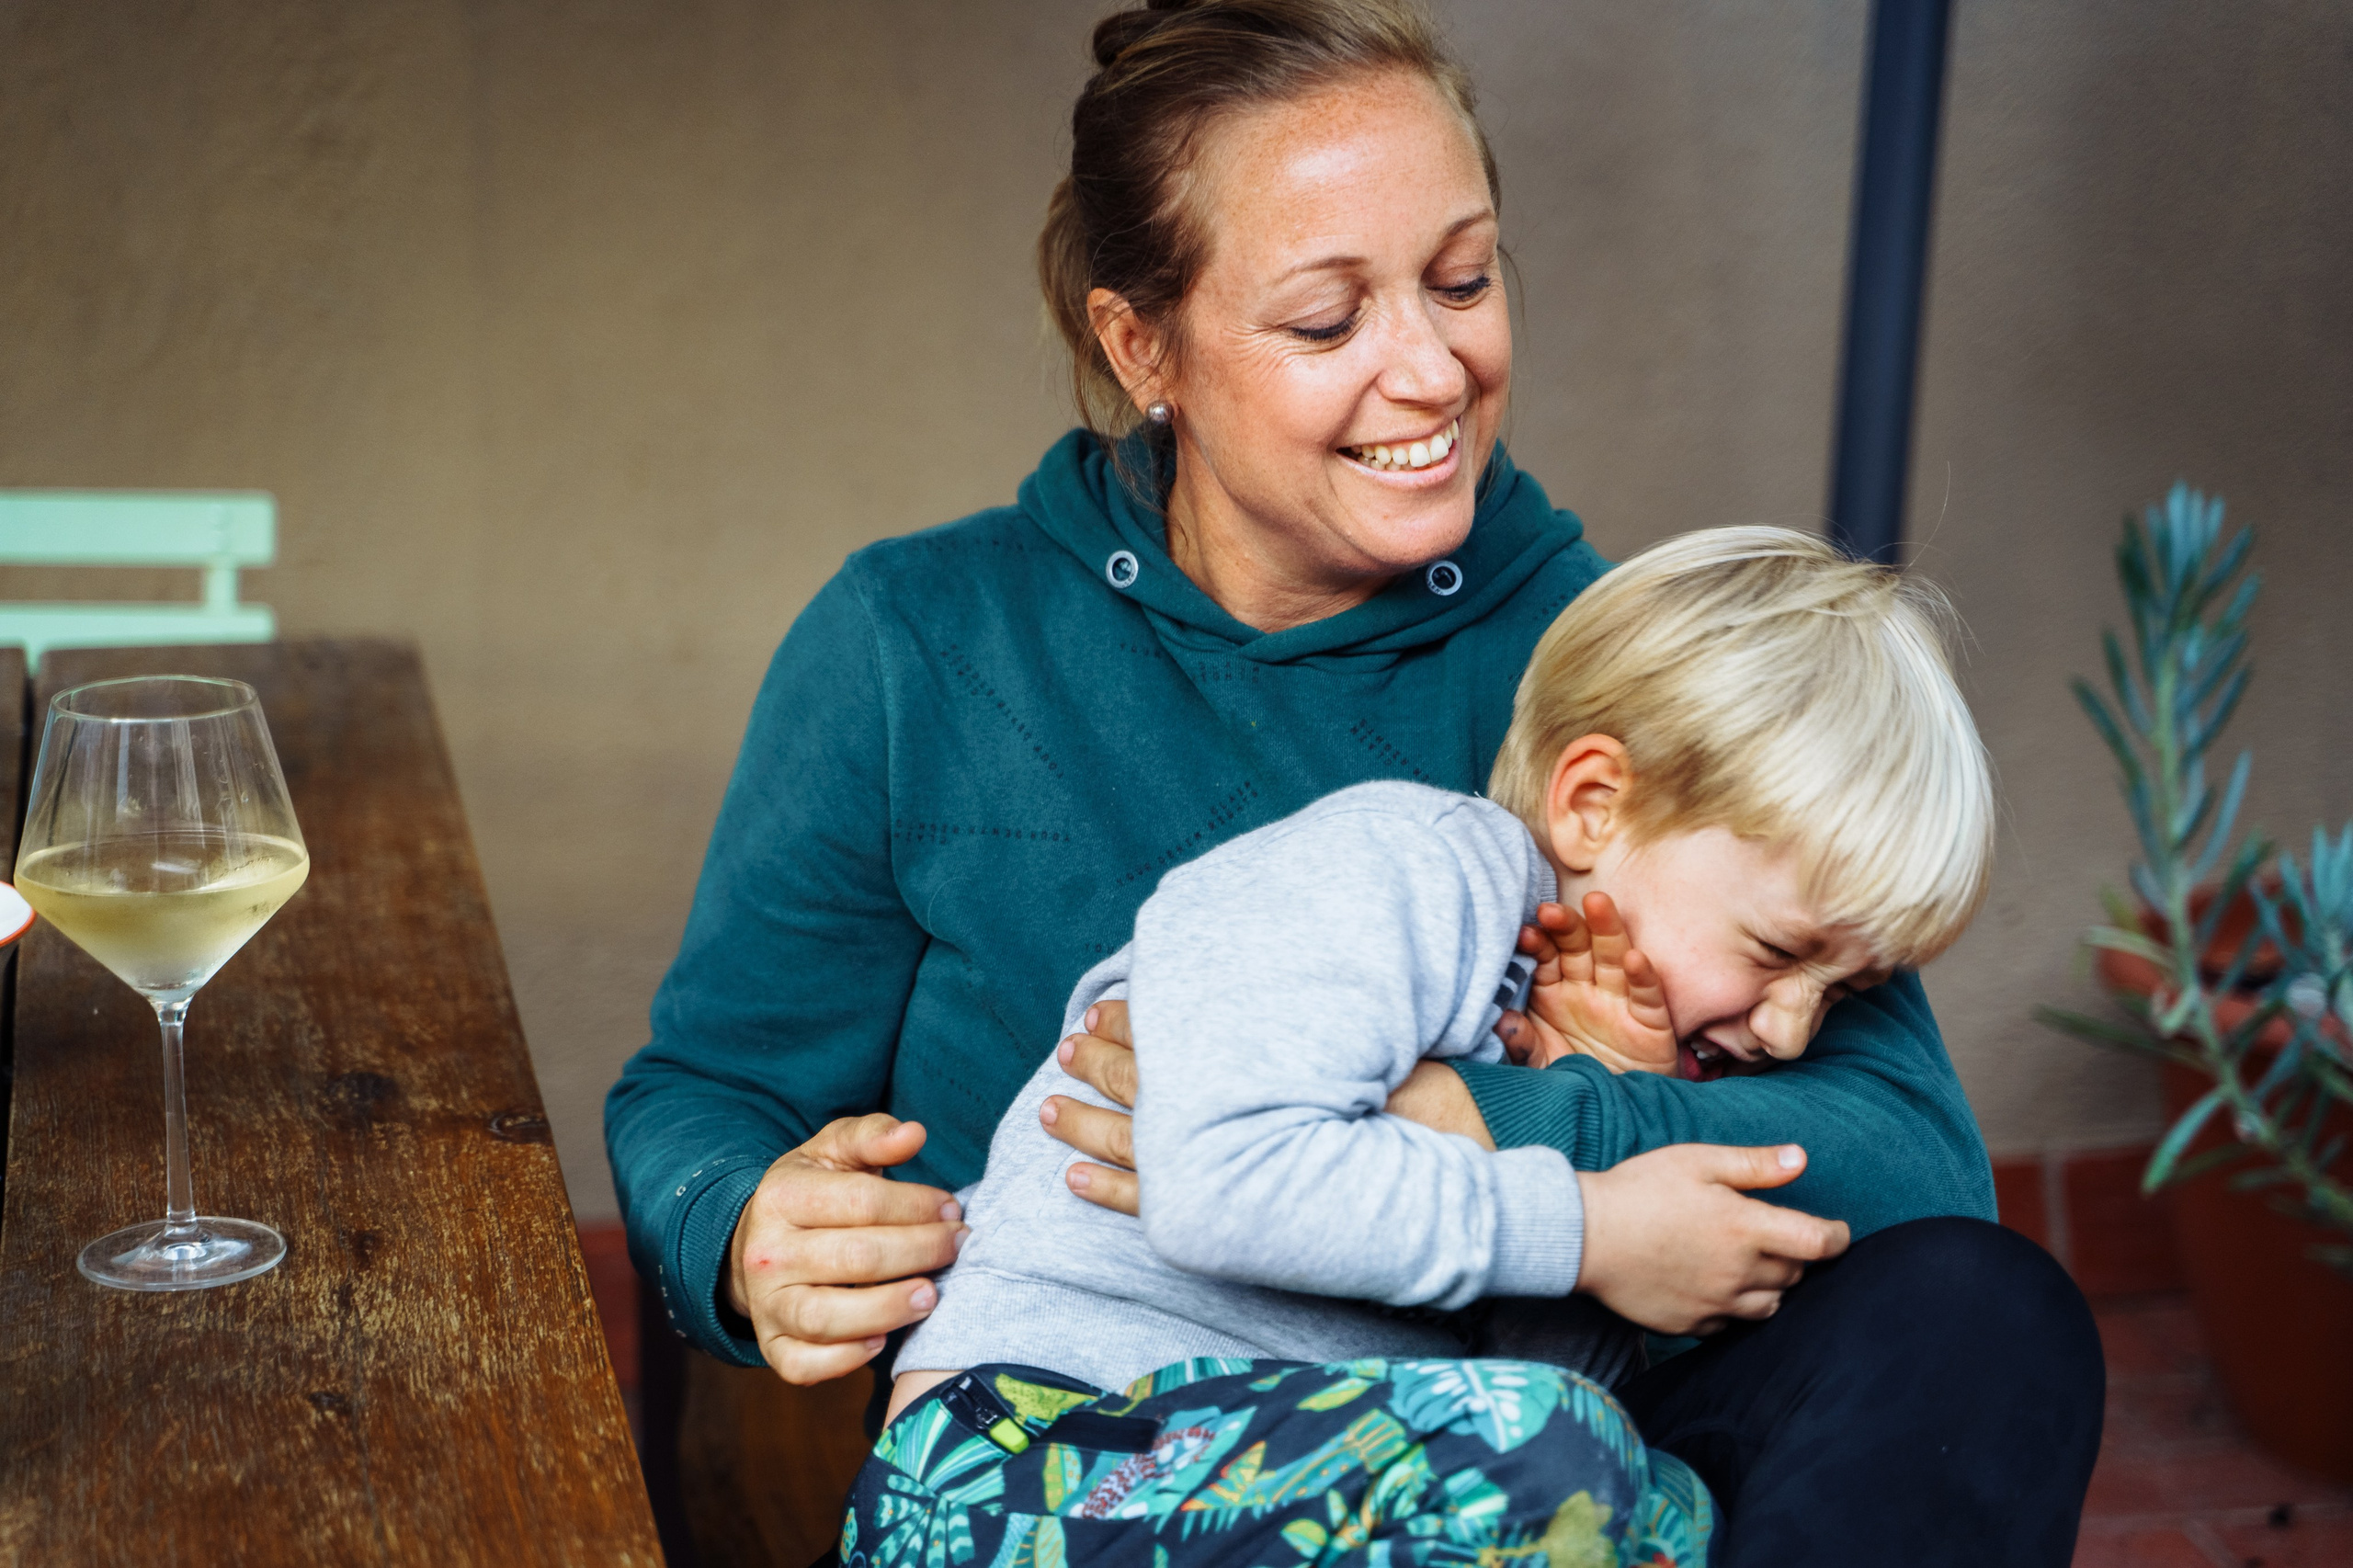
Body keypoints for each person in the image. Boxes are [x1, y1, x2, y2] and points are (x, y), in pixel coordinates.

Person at [605, 3, 2104, 1562]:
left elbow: (1914, 1156)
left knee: (1983, 1321)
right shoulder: (918, 644)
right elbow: (707, 1096)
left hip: (1518, 1438)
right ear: (1144, 348)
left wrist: (1467, 1119)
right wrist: (740, 1225)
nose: (1434, 366)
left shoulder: (1584, 656)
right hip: (1119, 1465)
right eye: (1330, 319)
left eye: (1464, 279)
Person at [835, 528, 1993, 1568]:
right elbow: (1217, 1184)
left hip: (1275, 1477)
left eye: (1846, 990)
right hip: (1027, 1457)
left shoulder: (1572, 1037)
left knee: (1615, 1486)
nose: (1792, 1024)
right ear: (1593, 803)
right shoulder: (1413, 865)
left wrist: (1585, 1096)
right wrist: (1592, 1224)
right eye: (1777, 950)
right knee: (1585, 1468)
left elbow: (1510, 1375)